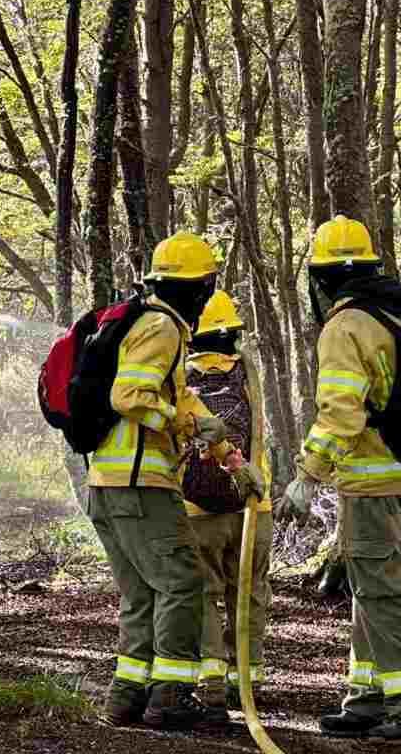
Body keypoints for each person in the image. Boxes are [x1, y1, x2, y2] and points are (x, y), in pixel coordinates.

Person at [86, 231, 263, 730]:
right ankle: (171, 698)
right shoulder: (162, 328)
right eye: (207, 286)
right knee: (184, 584)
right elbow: (131, 396)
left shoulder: (154, 326)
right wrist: (180, 425)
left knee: (143, 593)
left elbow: (187, 404)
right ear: (197, 287)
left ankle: (127, 696)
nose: (208, 295)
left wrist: (233, 462)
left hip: (108, 483)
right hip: (141, 484)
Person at [276, 215, 401, 741]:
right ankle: (367, 697)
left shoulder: (345, 327)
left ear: (323, 279)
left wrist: (306, 476)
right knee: (371, 591)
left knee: (383, 594)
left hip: (371, 483)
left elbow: (340, 414)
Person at [180, 290, 274, 716]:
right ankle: (247, 680)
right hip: (253, 503)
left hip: (195, 510)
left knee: (203, 594)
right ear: (230, 333)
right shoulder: (250, 374)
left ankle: (211, 681)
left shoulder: (179, 378)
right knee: (249, 593)